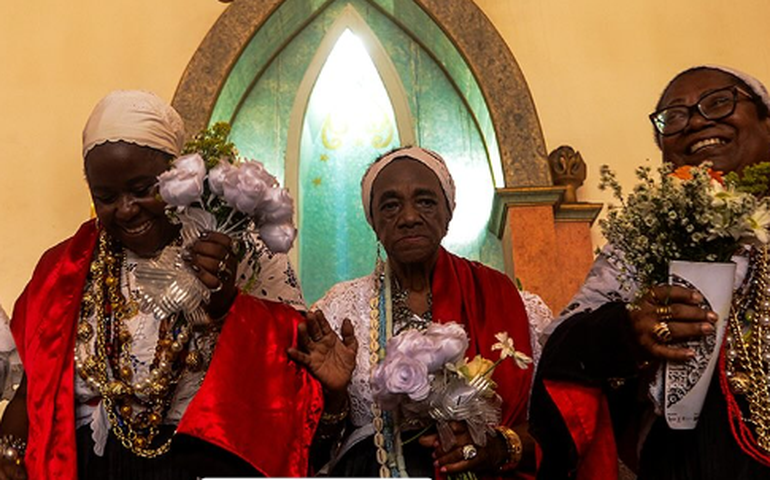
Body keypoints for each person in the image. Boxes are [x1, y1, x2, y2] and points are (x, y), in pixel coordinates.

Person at [0, 90, 321, 480]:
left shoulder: (241, 250)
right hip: (93, 466)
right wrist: (10, 456)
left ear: (179, 175)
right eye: (106, 196)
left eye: (141, 189)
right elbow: (32, 390)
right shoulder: (62, 269)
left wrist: (226, 307)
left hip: (202, 464)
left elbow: (296, 379)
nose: (126, 208)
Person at [530, 65, 770, 480]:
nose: (696, 121)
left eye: (719, 102)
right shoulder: (642, 241)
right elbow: (560, 347)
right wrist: (628, 329)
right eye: (674, 117)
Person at [290, 146, 546, 478]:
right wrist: (335, 399)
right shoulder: (340, 310)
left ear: (448, 213)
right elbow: (304, 451)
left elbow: (559, 426)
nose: (409, 217)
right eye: (391, 205)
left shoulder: (512, 305)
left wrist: (498, 445)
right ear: (373, 222)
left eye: (425, 201)